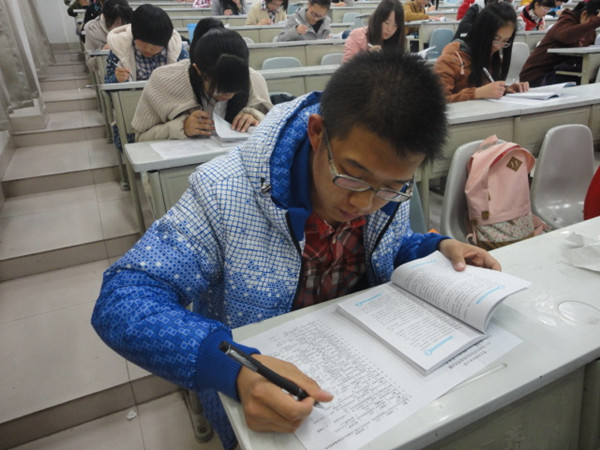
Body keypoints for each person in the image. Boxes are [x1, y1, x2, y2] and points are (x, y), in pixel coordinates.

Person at [91, 50, 502, 450]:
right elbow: (123, 296)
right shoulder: (224, 193)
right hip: (266, 385)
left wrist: (433, 246)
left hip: (362, 370)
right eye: (352, 177)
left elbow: (383, 250)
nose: (364, 204)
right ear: (317, 132)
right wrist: (231, 368)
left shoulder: (384, 193)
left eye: (391, 187)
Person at [131, 24, 272, 140]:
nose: (228, 96)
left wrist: (256, 118)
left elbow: (275, 126)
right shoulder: (164, 80)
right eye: (219, 90)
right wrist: (180, 127)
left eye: (235, 90)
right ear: (198, 70)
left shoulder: (254, 79)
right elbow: (140, 137)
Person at [433, 2, 529, 103]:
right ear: (481, 32)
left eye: (505, 41)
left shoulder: (492, 58)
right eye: (495, 39)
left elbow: (486, 90)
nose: (498, 46)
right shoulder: (450, 60)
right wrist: (476, 93)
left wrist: (505, 90)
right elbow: (438, 103)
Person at [519, 0, 600, 86]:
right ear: (584, 14)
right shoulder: (567, 20)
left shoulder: (590, 30)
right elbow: (567, 36)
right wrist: (595, 23)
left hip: (562, 73)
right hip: (536, 77)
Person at [104, 4, 187, 83]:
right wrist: (116, 78)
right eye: (143, 43)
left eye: (154, 46)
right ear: (134, 34)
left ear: (165, 42)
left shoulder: (177, 51)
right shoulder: (119, 48)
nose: (148, 48)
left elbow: (188, 81)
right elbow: (107, 84)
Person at [84, 0, 132, 71]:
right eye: (116, 23)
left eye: (123, 22)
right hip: (106, 71)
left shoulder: (133, 23)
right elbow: (90, 65)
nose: (120, 27)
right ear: (104, 16)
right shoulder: (92, 29)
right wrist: (102, 51)